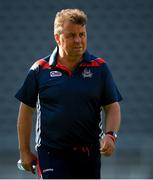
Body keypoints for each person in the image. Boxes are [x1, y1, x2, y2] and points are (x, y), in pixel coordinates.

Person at [15, 8, 122, 179]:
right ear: (57, 38)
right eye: (72, 35)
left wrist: (110, 136)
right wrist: (24, 151)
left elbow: (112, 107)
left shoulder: (100, 68)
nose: (78, 40)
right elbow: (25, 111)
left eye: (82, 34)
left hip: (89, 153)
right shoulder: (39, 69)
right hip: (51, 154)